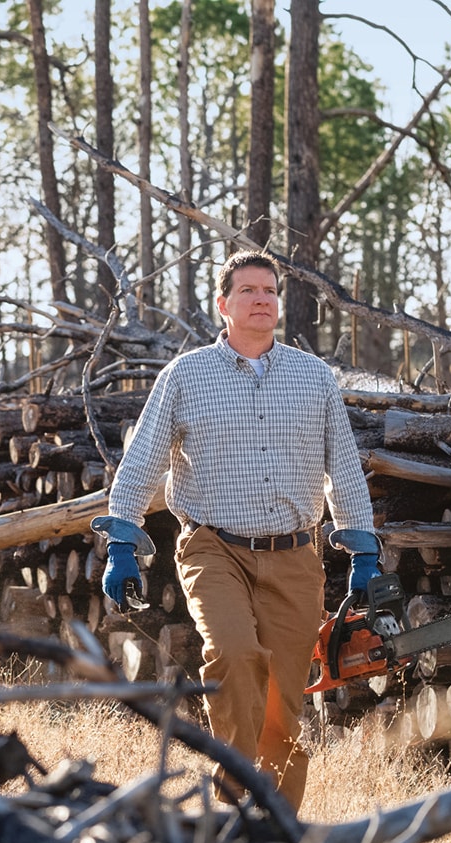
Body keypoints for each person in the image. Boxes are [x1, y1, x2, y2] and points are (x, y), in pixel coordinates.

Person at [91, 250, 380, 812]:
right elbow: (144, 459)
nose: (262, 299)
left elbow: (343, 467)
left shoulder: (314, 378)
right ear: (222, 305)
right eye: (248, 291)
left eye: (270, 290)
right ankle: (231, 809)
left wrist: (362, 545)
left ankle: (274, 833)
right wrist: (121, 541)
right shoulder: (186, 375)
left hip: (296, 555)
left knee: (283, 703)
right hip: (213, 545)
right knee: (233, 655)